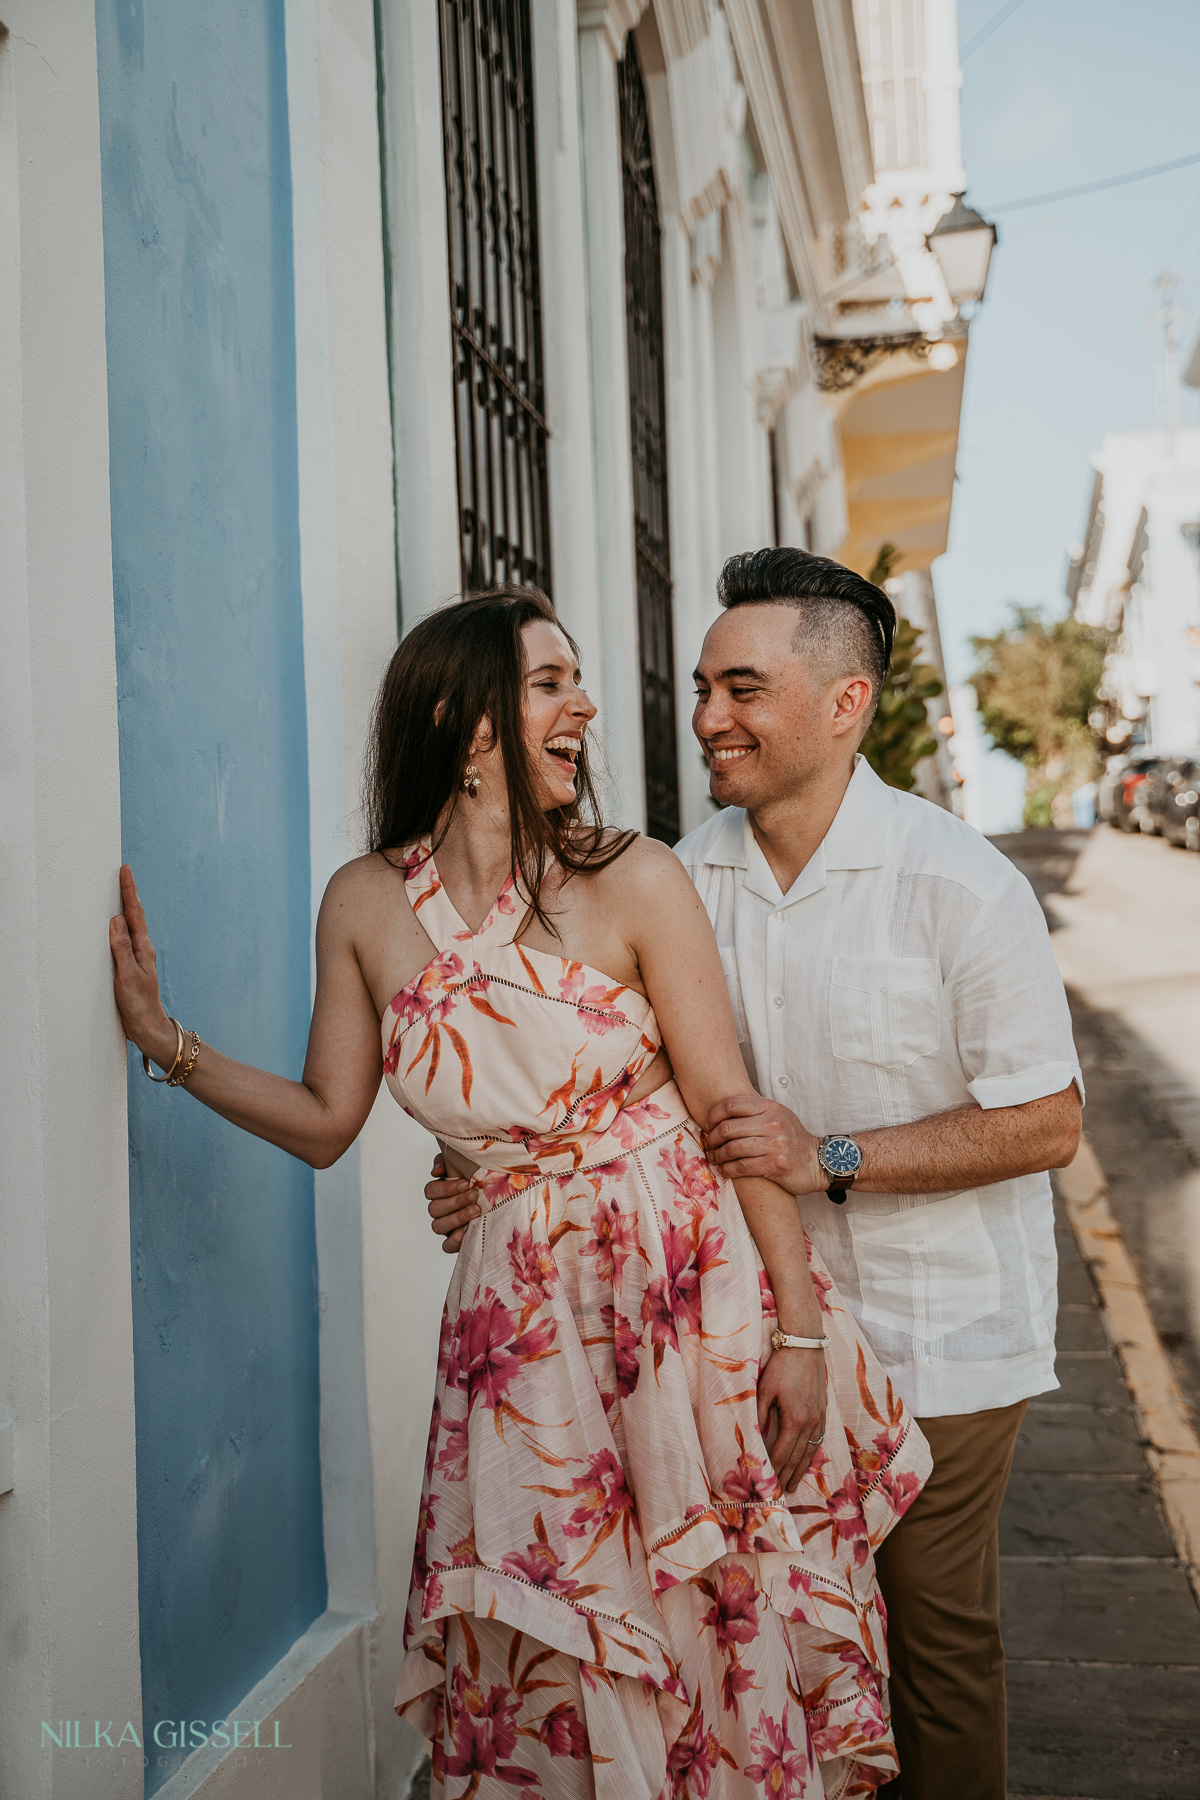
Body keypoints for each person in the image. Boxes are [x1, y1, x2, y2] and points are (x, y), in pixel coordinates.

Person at [110, 586, 931, 1800]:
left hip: (682, 1299)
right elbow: (329, 1119)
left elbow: (731, 1119)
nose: (584, 706)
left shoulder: (634, 878)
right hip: (521, 1333)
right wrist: (167, 1042)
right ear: (467, 718)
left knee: (709, 1622)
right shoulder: (365, 904)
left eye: (574, 681)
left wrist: (800, 1331)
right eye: (551, 682)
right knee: (559, 1634)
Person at [427, 555, 1084, 1800]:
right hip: (725, 1344)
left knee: (930, 1650)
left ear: (846, 705)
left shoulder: (959, 883)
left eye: (744, 689)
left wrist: (827, 1155)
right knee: (772, 1656)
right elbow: (580, 1059)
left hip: (936, 1335)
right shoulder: (676, 873)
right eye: (700, 688)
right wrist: (485, 1166)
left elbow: (1048, 1119)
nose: (708, 719)